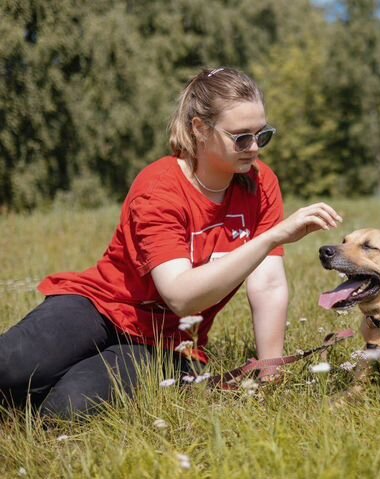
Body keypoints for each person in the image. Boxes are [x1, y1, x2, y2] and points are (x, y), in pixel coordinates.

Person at [0, 67, 342, 420]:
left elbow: (268, 284)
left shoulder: (261, 185)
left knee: (67, 408)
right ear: (199, 128)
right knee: (11, 367)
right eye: (241, 137)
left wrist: (271, 373)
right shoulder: (159, 187)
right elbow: (180, 295)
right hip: (99, 307)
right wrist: (272, 237)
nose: (254, 148)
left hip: (167, 344)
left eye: (262, 135)